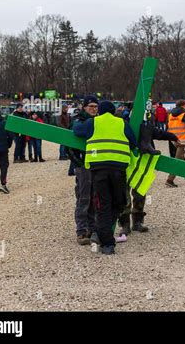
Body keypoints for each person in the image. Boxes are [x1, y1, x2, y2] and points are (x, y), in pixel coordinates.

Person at [73, 100, 137, 255]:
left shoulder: (92, 122)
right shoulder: (121, 123)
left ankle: (107, 244)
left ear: (100, 111)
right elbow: (133, 143)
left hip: (98, 170)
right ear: (114, 111)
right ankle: (106, 237)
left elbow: (77, 130)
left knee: (102, 205)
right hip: (118, 169)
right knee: (119, 202)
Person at [67, 96, 98, 245]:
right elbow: (69, 145)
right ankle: (81, 231)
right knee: (83, 198)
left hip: (96, 165)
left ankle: (92, 228)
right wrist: (78, 163)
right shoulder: (78, 120)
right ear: (84, 107)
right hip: (83, 165)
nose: (94, 109)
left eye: (96, 106)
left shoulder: (99, 121)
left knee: (94, 198)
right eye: (91, 106)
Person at [165, 100, 185, 188]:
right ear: (184, 105)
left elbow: (167, 126)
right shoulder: (184, 115)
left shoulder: (170, 115)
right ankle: (170, 180)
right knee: (177, 161)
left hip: (174, 140)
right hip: (183, 140)